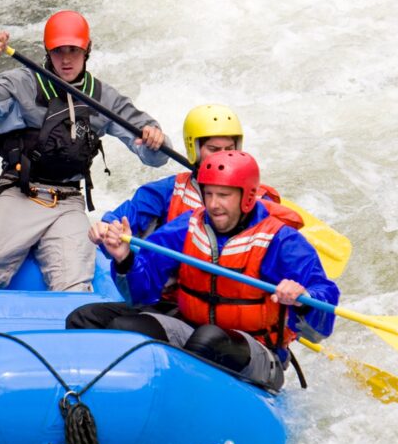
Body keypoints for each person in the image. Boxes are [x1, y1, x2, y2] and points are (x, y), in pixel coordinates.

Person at [0, 10, 170, 292]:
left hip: (68, 203)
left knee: (73, 284)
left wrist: (155, 138)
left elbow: (154, 156)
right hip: (20, 193)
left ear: (87, 51)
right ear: (48, 51)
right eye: (59, 51)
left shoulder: (103, 97)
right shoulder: (21, 82)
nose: (67, 59)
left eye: (74, 50)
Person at [67, 151, 339, 391]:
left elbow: (322, 314)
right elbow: (142, 293)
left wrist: (303, 298)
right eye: (208, 194)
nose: (214, 204)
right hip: (191, 328)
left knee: (208, 339)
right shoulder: (189, 226)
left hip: (256, 351)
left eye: (224, 195)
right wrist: (124, 259)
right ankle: (93, 397)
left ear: (248, 198)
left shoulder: (281, 241)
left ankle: (182, 408)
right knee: (97, 321)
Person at [69, 104, 302, 328]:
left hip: (225, 315)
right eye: (213, 149)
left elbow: (286, 255)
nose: (221, 157)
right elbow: (119, 221)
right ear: (194, 149)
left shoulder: (258, 204)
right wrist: (106, 230)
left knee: (129, 326)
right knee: (83, 318)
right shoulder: (169, 193)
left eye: (228, 149)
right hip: (170, 301)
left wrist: (297, 294)